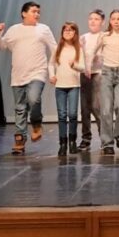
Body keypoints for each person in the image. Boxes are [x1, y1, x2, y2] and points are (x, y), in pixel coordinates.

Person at [0, 1, 57, 155]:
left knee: (34, 99)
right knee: (20, 108)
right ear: (24, 13)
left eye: (38, 12)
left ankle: (36, 123)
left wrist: (52, 69)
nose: (37, 14)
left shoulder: (43, 29)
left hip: (37, 72)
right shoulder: (14, 30)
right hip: (18, 75)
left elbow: (54, 48)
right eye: (34, 11)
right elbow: (1, 46)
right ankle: (20, 141)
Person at [89, 8, 119, 155]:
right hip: (107, 73)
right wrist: (89, 66)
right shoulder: (104, 36)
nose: (116, 21)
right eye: (113, 19)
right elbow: (93, 51)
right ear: (110, 21)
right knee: (106, 109)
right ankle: (107, 143)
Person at [49, 22, 86, 156]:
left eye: (71, 30)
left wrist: (74, 65)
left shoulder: (78, 49)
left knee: (73, 115)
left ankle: (72, 142)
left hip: (73, 85)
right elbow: (51, 64)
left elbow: (83, 68)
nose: (68, 32)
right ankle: (63, 144)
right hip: (60, 86)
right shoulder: (57, 48)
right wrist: (52, 75)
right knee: (62, 115)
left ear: (75, 33)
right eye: (65, 30)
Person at [78, 9, 105, 151]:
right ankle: (86, 138)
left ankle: (104, 138)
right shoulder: (83, 37)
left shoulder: (104, 37)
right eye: (91, 19)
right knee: (84, 108)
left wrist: (95, 58)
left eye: (96, 19)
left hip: (98, 74)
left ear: (102, 22)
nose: (93, 21)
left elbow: (105, 57)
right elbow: (79, 57)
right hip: (85, 74)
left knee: (96, 107)